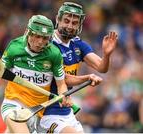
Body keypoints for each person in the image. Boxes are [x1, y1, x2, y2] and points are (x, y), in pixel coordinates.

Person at [0, 15, 71, 133]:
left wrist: (64, 95)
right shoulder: (14, 47)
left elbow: (61, 85)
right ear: (28, 32)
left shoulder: (54, 54)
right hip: (13, 103)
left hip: (38, 110)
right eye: (37, 36)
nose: (40, 42)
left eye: (45, 38)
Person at [40, 2, 118, 133]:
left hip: (66, 111)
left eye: (74, 23)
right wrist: (86, 78)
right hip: (45, 111)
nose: (70, 26)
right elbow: (60, 77)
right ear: (57, 19)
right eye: (66, 21)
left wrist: (106, 54)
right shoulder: (46, 45)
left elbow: (102, 67)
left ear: (79, 25)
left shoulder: (78, 45)